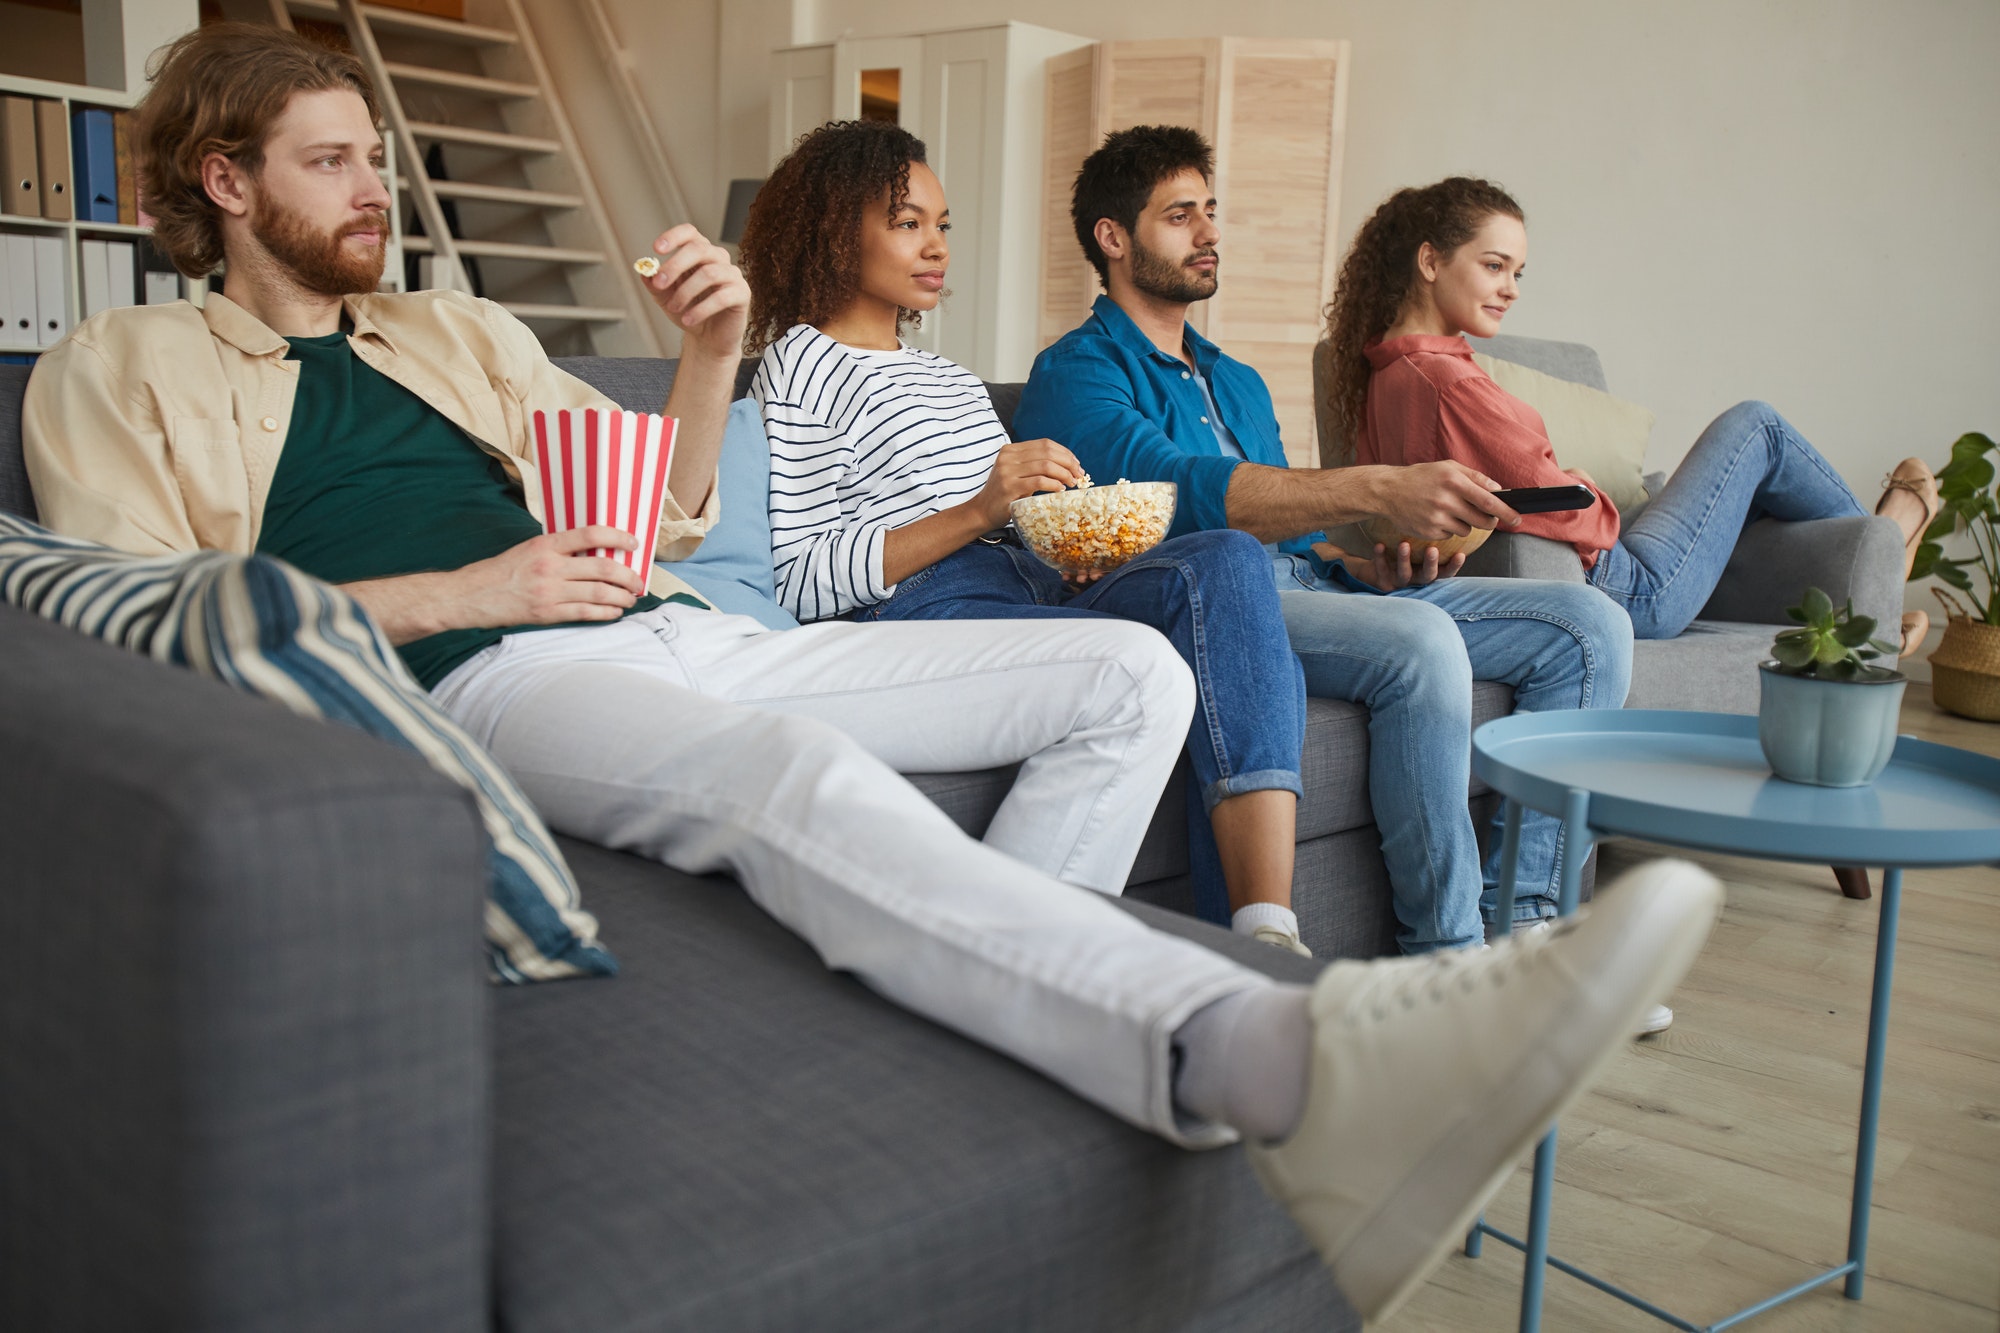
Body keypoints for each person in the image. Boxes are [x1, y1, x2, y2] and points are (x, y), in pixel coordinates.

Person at [20, 26, 1724, 1323]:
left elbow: (667, 512)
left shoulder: (454, 331)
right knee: (787, 782)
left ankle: (980, 1030)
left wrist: (702, 351)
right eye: (331, 161)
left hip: (657, 624)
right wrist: (469, 585)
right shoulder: (122, 364)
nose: (376, 187)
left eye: (376, 154)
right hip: (482, 677)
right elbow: (153, 614)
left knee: (1127, 676)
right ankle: (1266, 1041)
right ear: (227, 183)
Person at [1017, 128, 1653, 1003]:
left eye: (1210, 210)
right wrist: (1376, 487)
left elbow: (1298, 538)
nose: (1208, 231)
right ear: (1112, 239)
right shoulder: (1074, 373)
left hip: (1303, 589)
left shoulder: (1234, 378)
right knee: (1420, 644)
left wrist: (1366, 567)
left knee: (1589, 627)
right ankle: (1449, 964)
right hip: (1205, 596)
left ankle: (1529, 927)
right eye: (1178, 216)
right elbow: (1179, 496)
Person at [740, 119, 1311, 953]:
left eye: (941, 226)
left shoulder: (947, 377)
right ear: (834, 232)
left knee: (1222, 559)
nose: (935, 247)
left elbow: (1015, 520)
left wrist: (1071, 542)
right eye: (908, 224)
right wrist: (979, 509)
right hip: (923, 608)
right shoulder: (802, 365)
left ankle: (1266, 933)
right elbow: (799, 576)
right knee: (1165, 669)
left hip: (1025, 581)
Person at [1323, 175, 1941, 654]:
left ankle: (1877, 573)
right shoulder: (1447, 380)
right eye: (1493, 266)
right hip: (1630, 588)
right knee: (1757, 428)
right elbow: (1561, 502)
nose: (1512, 288)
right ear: (1430, 263)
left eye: (1517, 271)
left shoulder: (1385, 376)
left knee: (1719, 493)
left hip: (1610, 579)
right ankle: (1889, 547)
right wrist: (1596, 491)